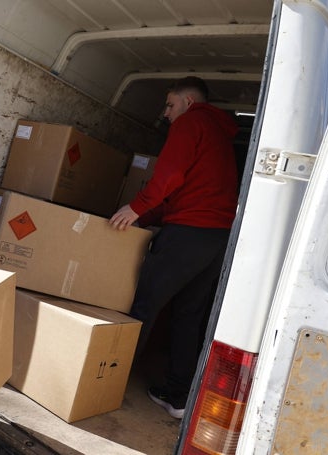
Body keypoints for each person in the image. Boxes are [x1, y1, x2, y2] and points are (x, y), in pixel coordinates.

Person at [109, 76, 239, 419]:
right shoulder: (218, 135)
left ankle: (103, 381)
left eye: (170, 104)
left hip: (188, 232)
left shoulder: (191, 123)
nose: (165, 113)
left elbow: (169, 174)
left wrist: (136, 207)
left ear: (188, 103)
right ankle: (178, 397)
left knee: (143, 306)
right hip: (216, 239)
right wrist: (147, 213)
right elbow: (185, 191)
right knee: (188, 315)